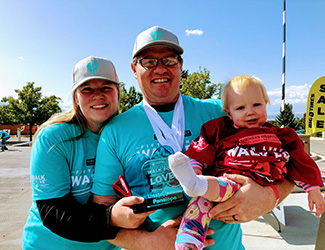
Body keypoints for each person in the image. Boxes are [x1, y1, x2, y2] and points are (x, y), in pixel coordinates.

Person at [92, 26, 295, 250]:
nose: (160, 69)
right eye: (149, 61)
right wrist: (146, 241)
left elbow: (291, 155)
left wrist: (270, 196)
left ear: (181, 65)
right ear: (134, 69)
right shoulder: (115, 130)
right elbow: (100, 212)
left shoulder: (221, 112)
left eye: (169, 60)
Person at [168, 74, 325, 250]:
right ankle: (189, 237)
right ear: (229, 113)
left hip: (259, 183)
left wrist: (313, 189)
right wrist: (196, 168)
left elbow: (300, 161)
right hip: (228, 179)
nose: (250, 111)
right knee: (200, 201)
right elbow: (203, 147)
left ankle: (195, 185)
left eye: (256, 105)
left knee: (204, 197)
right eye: (241, 108)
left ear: (266, 103)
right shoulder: (220, 129)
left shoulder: (281, 135)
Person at [22, 56, 151, 250]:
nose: (98, 95)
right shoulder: (54, 138)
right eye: (87, 89)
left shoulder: (130, 134)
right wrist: (111, 218)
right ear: (76, 97)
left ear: (118, 92)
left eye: (106, 87)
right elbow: (53, 212)